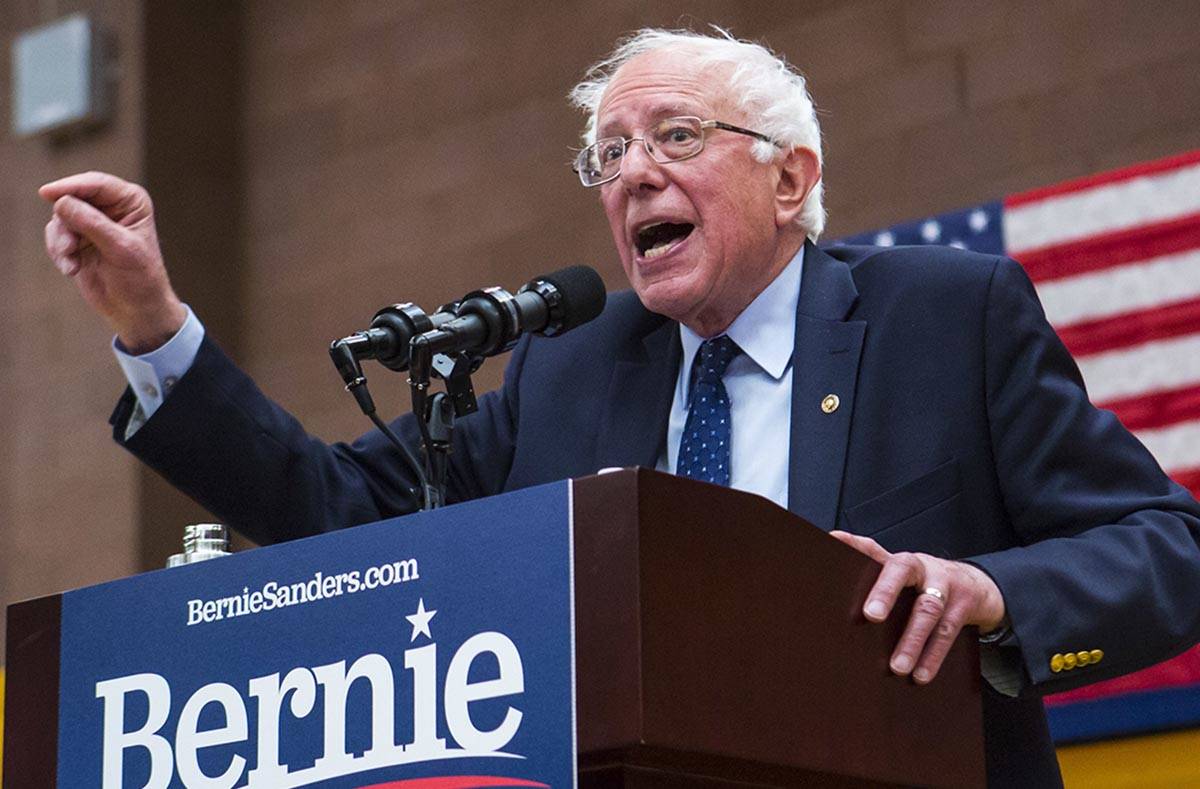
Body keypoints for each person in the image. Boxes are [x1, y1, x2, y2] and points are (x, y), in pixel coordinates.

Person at [40, 28, 1200, 787]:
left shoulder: (949, 320)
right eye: (609, 157)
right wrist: (154, 325)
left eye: (677, 138)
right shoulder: (574, 367)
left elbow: (1165, 552)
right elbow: (340, 504)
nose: (634, 173)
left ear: (791, 178)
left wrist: (993, 594)